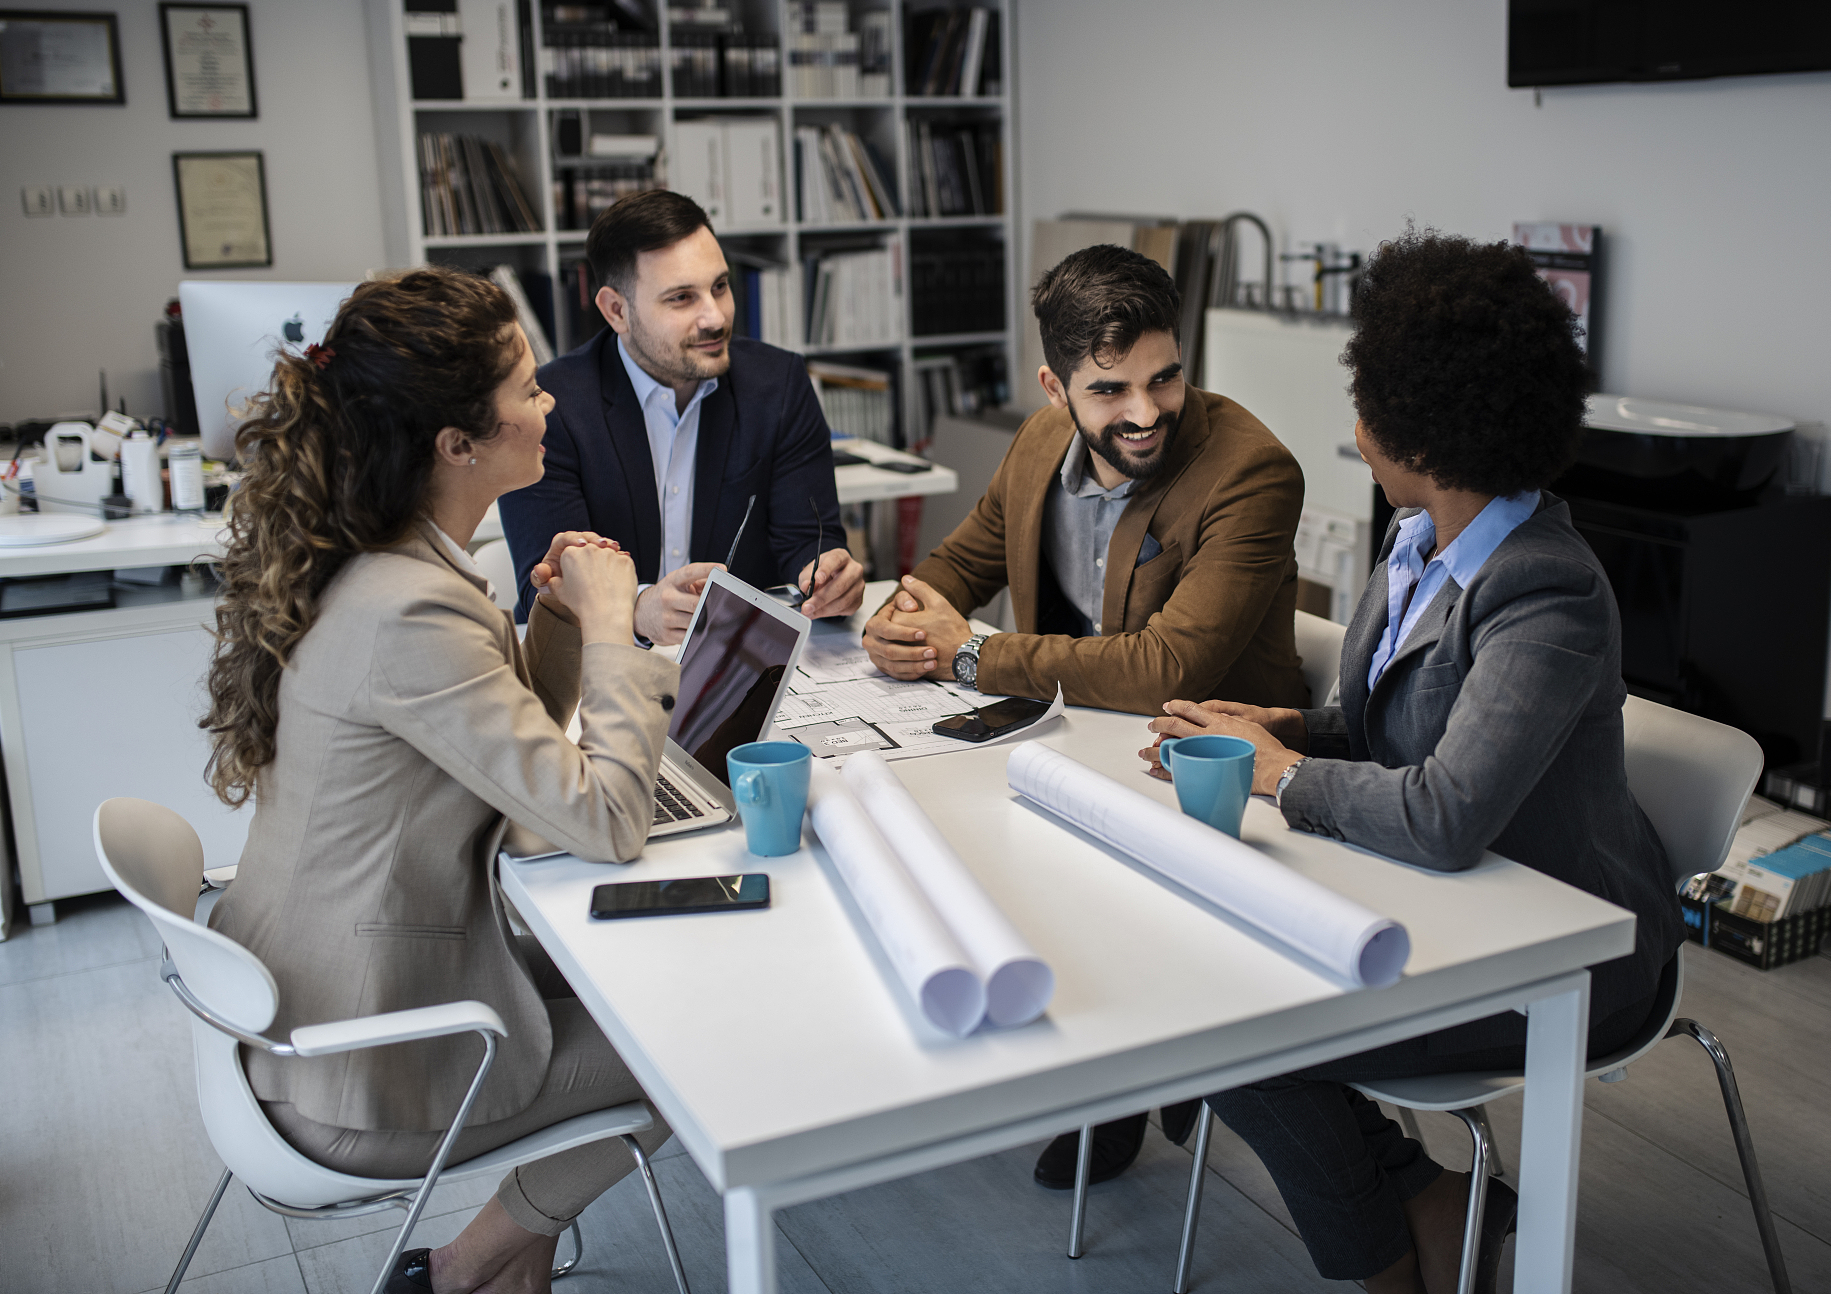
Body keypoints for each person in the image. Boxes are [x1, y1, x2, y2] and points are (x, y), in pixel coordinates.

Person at [1142, 230, 1687, 1294]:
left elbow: (1443, 812)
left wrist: (1273, 775)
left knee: (1227, 1029)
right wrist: (1284, 728)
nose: (1353, 429)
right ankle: (1428, 1205)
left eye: (1369, 411)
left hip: (1561, 952)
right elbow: (1396, 722)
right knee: (1199, 994)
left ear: (1426, 441)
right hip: (1450, 906)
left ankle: (1394, 1251)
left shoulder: (1546, 591)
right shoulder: (1418, 543)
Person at [201, 267, 685, 1294]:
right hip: (359, 1067)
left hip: (318, 1007)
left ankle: (507, 1274)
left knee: (653, 988)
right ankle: (461, 1271)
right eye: (525, 389)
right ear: (457, 444)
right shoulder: (406, 608)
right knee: (691, 1048)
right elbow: (601, 818)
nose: (549, 400)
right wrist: (610, 626)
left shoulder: (386, 562)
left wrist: (554, 618)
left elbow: (501, 758)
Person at [865, 242, 1309, 1189]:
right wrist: (900, 615)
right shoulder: (1037, 443)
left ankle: (1135, 1068)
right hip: (1065, 740)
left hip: (1205, 770)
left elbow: (1167, 667)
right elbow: (958, 565)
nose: (1145, 412)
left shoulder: (1251, 470)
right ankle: (1100, 1067)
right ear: (1056, 387)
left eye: (1165, 378)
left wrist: (970, 650)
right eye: (1110, 390)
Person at [498, 189, 863, 642]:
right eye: (681, 298)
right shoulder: (551, 406)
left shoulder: (778, 384)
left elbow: (808, 541)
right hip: (594, 668)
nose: (715, 317)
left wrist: (826, 575)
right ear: (617, 310)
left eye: (720, 287)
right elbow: (545, 586)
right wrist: (634, 610)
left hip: (738, 658)